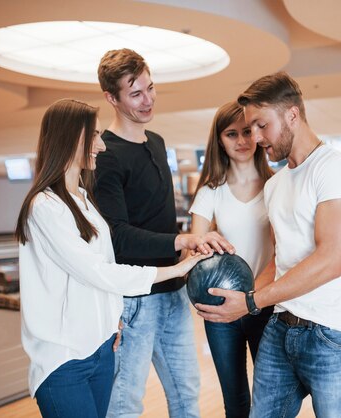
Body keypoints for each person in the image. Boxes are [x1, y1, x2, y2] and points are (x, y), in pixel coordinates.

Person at [16, 99, 208, 418]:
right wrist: (177, 267)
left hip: (102, 349)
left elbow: (105, 266)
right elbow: (99, 272)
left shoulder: (85, 201)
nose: (101, 146)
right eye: (93, 135)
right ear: (69, 137)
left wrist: (112, 318)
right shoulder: (44, 207)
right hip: (64, 362)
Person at [196, 72, 341, 418]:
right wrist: (238, 301)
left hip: (332, 335)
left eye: (261, 126)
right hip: (280, 327)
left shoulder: (335, 169)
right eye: (249, 129)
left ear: (292, 114)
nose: (256, 138)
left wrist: (250, 301)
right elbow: (279, 260)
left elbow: (329, 261)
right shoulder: (276, 186)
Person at [94, 48, 233, 418]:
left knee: (187, 396)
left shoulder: (156, 142)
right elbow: (118, 236)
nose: (148, 100)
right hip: (135, 299)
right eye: (135, 93)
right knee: (124, 405)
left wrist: (193, 240)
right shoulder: (106, 156)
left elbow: (155, 217)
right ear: (112, 98)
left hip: (173, 294)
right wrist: (180, 240)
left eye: (150, 88)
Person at [189, 101, 275, 418]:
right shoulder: (211, 191)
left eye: (248, 131)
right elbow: (193, 251)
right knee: (235, 400)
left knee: (269, 401)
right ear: (220, 140)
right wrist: (202, 245)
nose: (241, 141)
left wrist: (252, 298)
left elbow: (283, 253)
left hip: (265, 304)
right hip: (223, 310)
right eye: (231, 133)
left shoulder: (276, 186)